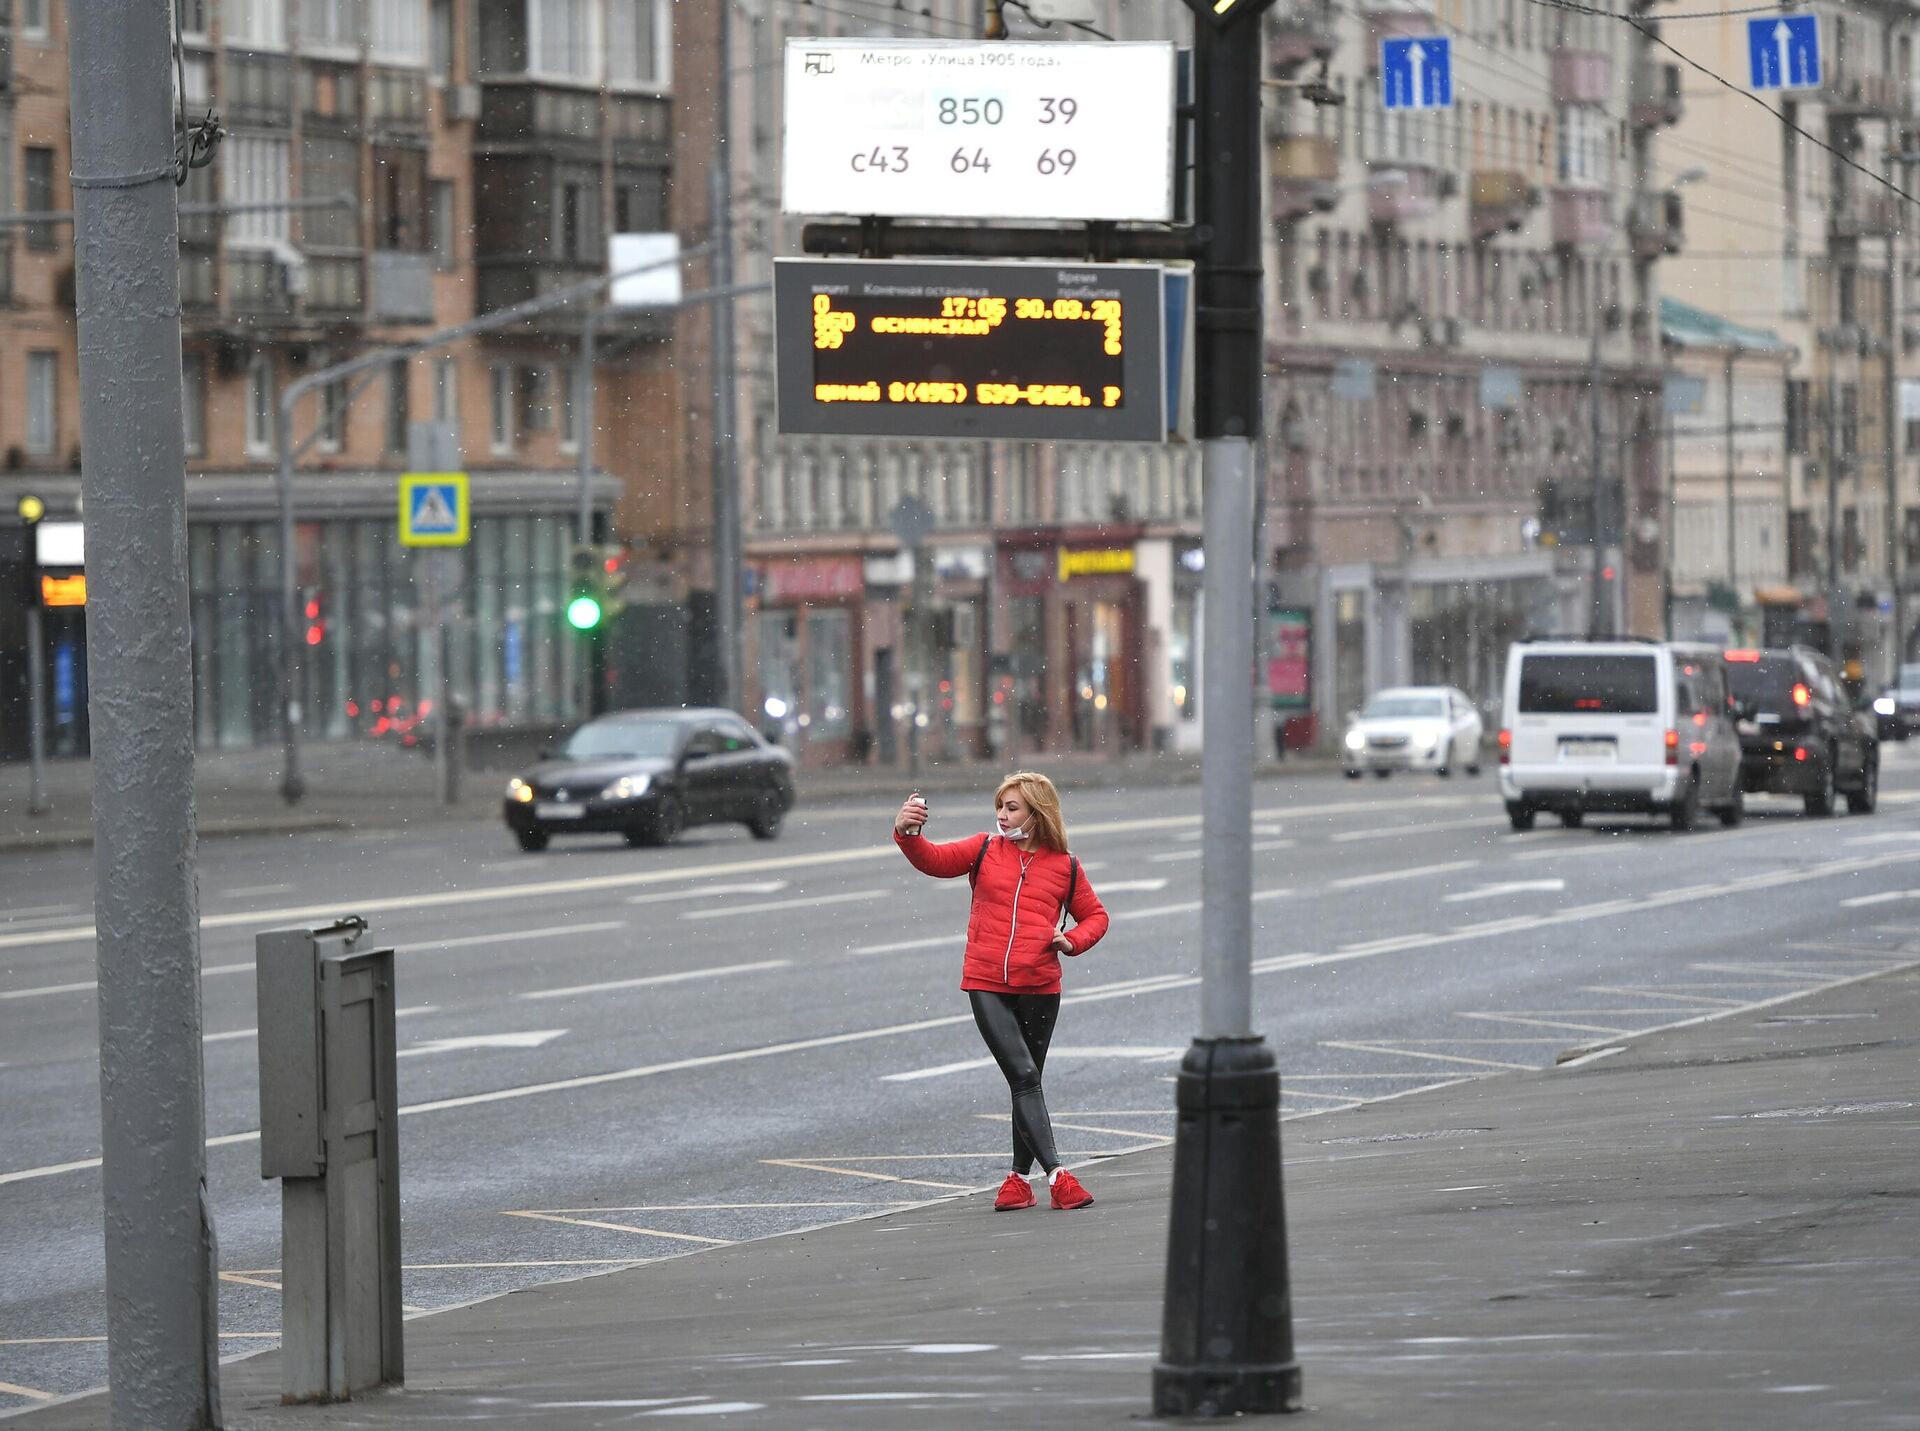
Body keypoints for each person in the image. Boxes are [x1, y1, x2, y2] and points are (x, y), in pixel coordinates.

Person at [893, 772, 1109, 1211]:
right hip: (986, 981)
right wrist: (907, 831)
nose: (1002, 815)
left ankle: (1016, 1180)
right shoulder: (985, 849)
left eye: (1012, 808)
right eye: (1000, 806)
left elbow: (1096, 917)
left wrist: (1070, 942)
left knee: (1025, 1081)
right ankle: (1058, 1177)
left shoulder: (1064, 865)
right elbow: (934, 860)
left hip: (1041, 987)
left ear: (1037, 812)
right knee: (1025, 1077)